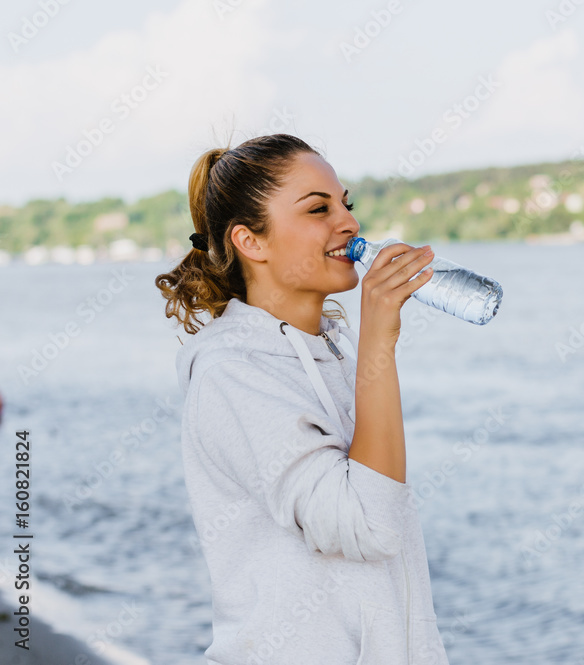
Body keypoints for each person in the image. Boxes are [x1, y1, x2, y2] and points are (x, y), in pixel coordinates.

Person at [154, 133, 449, 664]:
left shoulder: (330, 353)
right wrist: (380, 335)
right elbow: (369, 524)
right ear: (251, 242)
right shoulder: (231, 374)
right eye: (318, 208)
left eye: (346, 204)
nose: (349, 222)